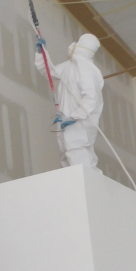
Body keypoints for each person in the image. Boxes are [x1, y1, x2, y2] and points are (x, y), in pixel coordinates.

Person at [34, 33, 104, 170]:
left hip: (80, 121)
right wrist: (41, 53)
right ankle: (74, 182)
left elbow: (91, 99)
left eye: (77, 42)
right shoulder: (70, 66)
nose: (73, 45)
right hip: (68, 119)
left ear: (81, 47)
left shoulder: (87, 71)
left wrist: (75, 116)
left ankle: (88, 181)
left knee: (77, 148)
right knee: (66, 150)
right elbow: (50, 72)